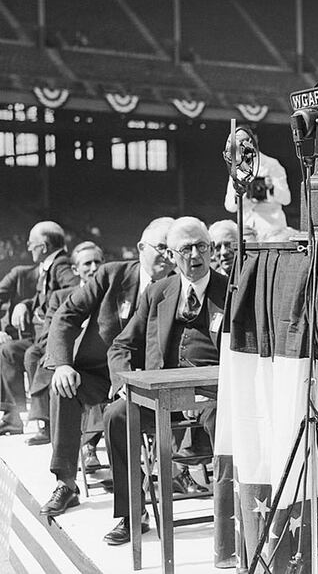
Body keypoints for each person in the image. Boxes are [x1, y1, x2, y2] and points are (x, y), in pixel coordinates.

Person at [38, 218, 174, 518]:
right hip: (98, 373)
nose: (168, 256)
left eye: (173, 250)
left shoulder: (176, 284)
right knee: (63, 388)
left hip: (147, 379)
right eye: (162, 248)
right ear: (141, 247)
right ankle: (66, 483)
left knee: (121, 414)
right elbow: (66, 315)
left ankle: (144, 494)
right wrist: (61, 364)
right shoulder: (111, 275)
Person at [103, 217, 227, 545]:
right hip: (163, 394)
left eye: (203, 246)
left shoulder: (231, 291)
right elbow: (122, 344)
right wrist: (123, 383)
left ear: (211, 249)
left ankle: (231, 513)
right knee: (117, 415)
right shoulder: (158, 292)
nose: (196, 254)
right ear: (171, 256)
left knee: (224, 418)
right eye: (186, 249)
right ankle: (132, 513)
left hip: (214, 393)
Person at [0, 221, 78, 435]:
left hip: (55, 337)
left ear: (43, 246)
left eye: (31, 244)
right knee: (8, 351)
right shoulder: (48, 267)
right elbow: (40, 298)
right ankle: (12, 416)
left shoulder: (61, 264)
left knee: (33, 355)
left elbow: (74, 290)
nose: (28, 248)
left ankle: (47, 422)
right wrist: (25, 305)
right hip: (40, 335)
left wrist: (52, 308)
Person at [25, 241, 105, 446]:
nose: (94, 268)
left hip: (98, 358)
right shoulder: (60, 297)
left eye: (98, 262)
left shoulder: (109, 296)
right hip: (66, 355)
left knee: (86, 374)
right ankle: (48, 424)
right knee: (44, 360)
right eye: (87, 264)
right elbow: (50, 333)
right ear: (75, 269)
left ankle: (89, 446)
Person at [223, 128, 291, 241]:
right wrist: (240, 192)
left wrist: (271, 187)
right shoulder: (237, 169)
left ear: (254, 139)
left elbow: (286, 199)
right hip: (247, 231)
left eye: (246, 140)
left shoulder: (272, 165)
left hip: (273, 231)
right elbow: (230, 206)